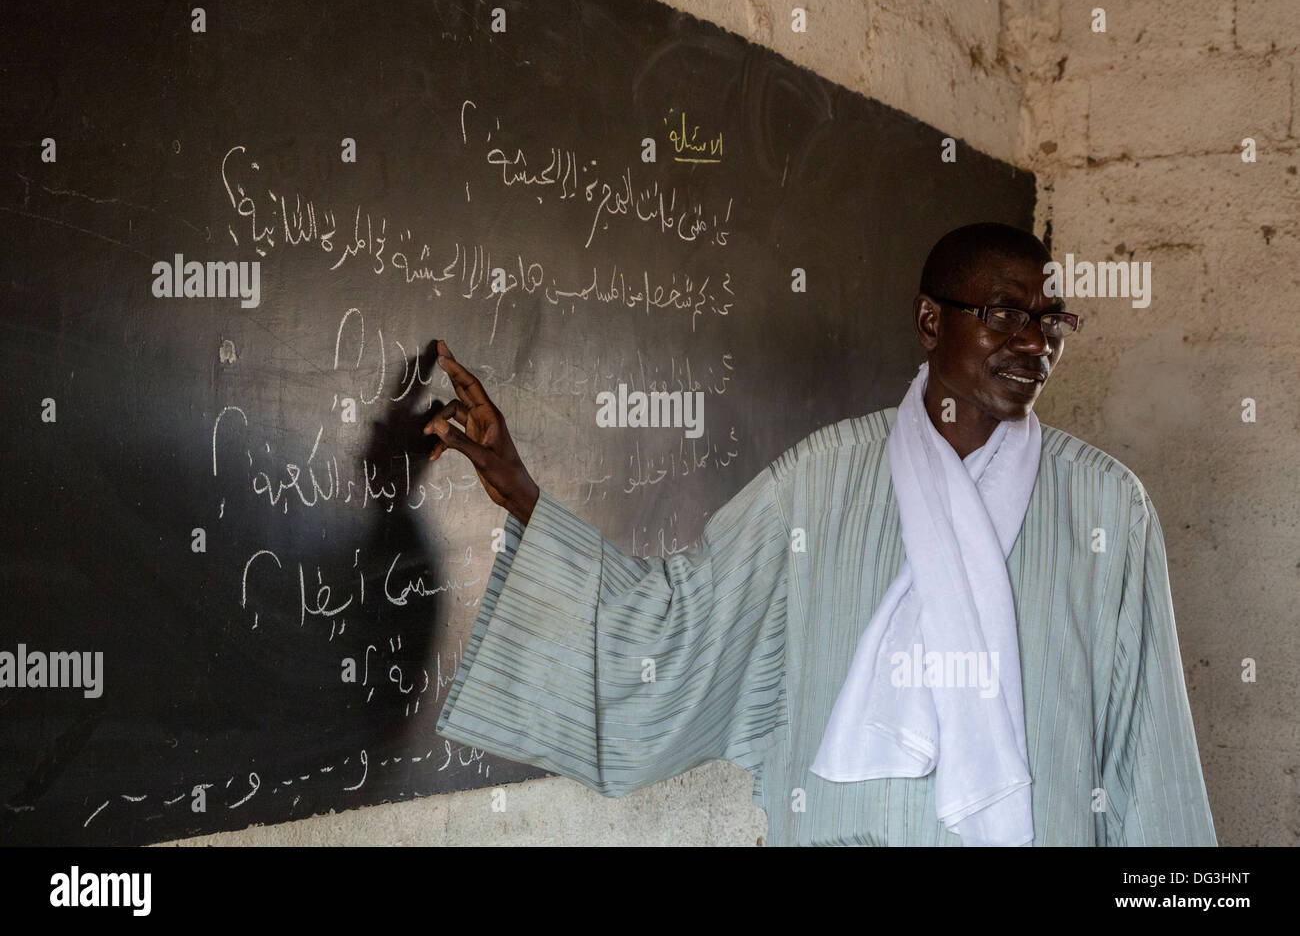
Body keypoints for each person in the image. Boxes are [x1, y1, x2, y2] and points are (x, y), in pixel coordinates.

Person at [427, 222, 1217, 846]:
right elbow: (679, 623)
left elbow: (1149, 752)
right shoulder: (819, 483)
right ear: (928, 321)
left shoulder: (1109, 509)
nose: (1035, 342)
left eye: (1052, 320)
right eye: (1006, 314)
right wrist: (521, 491)